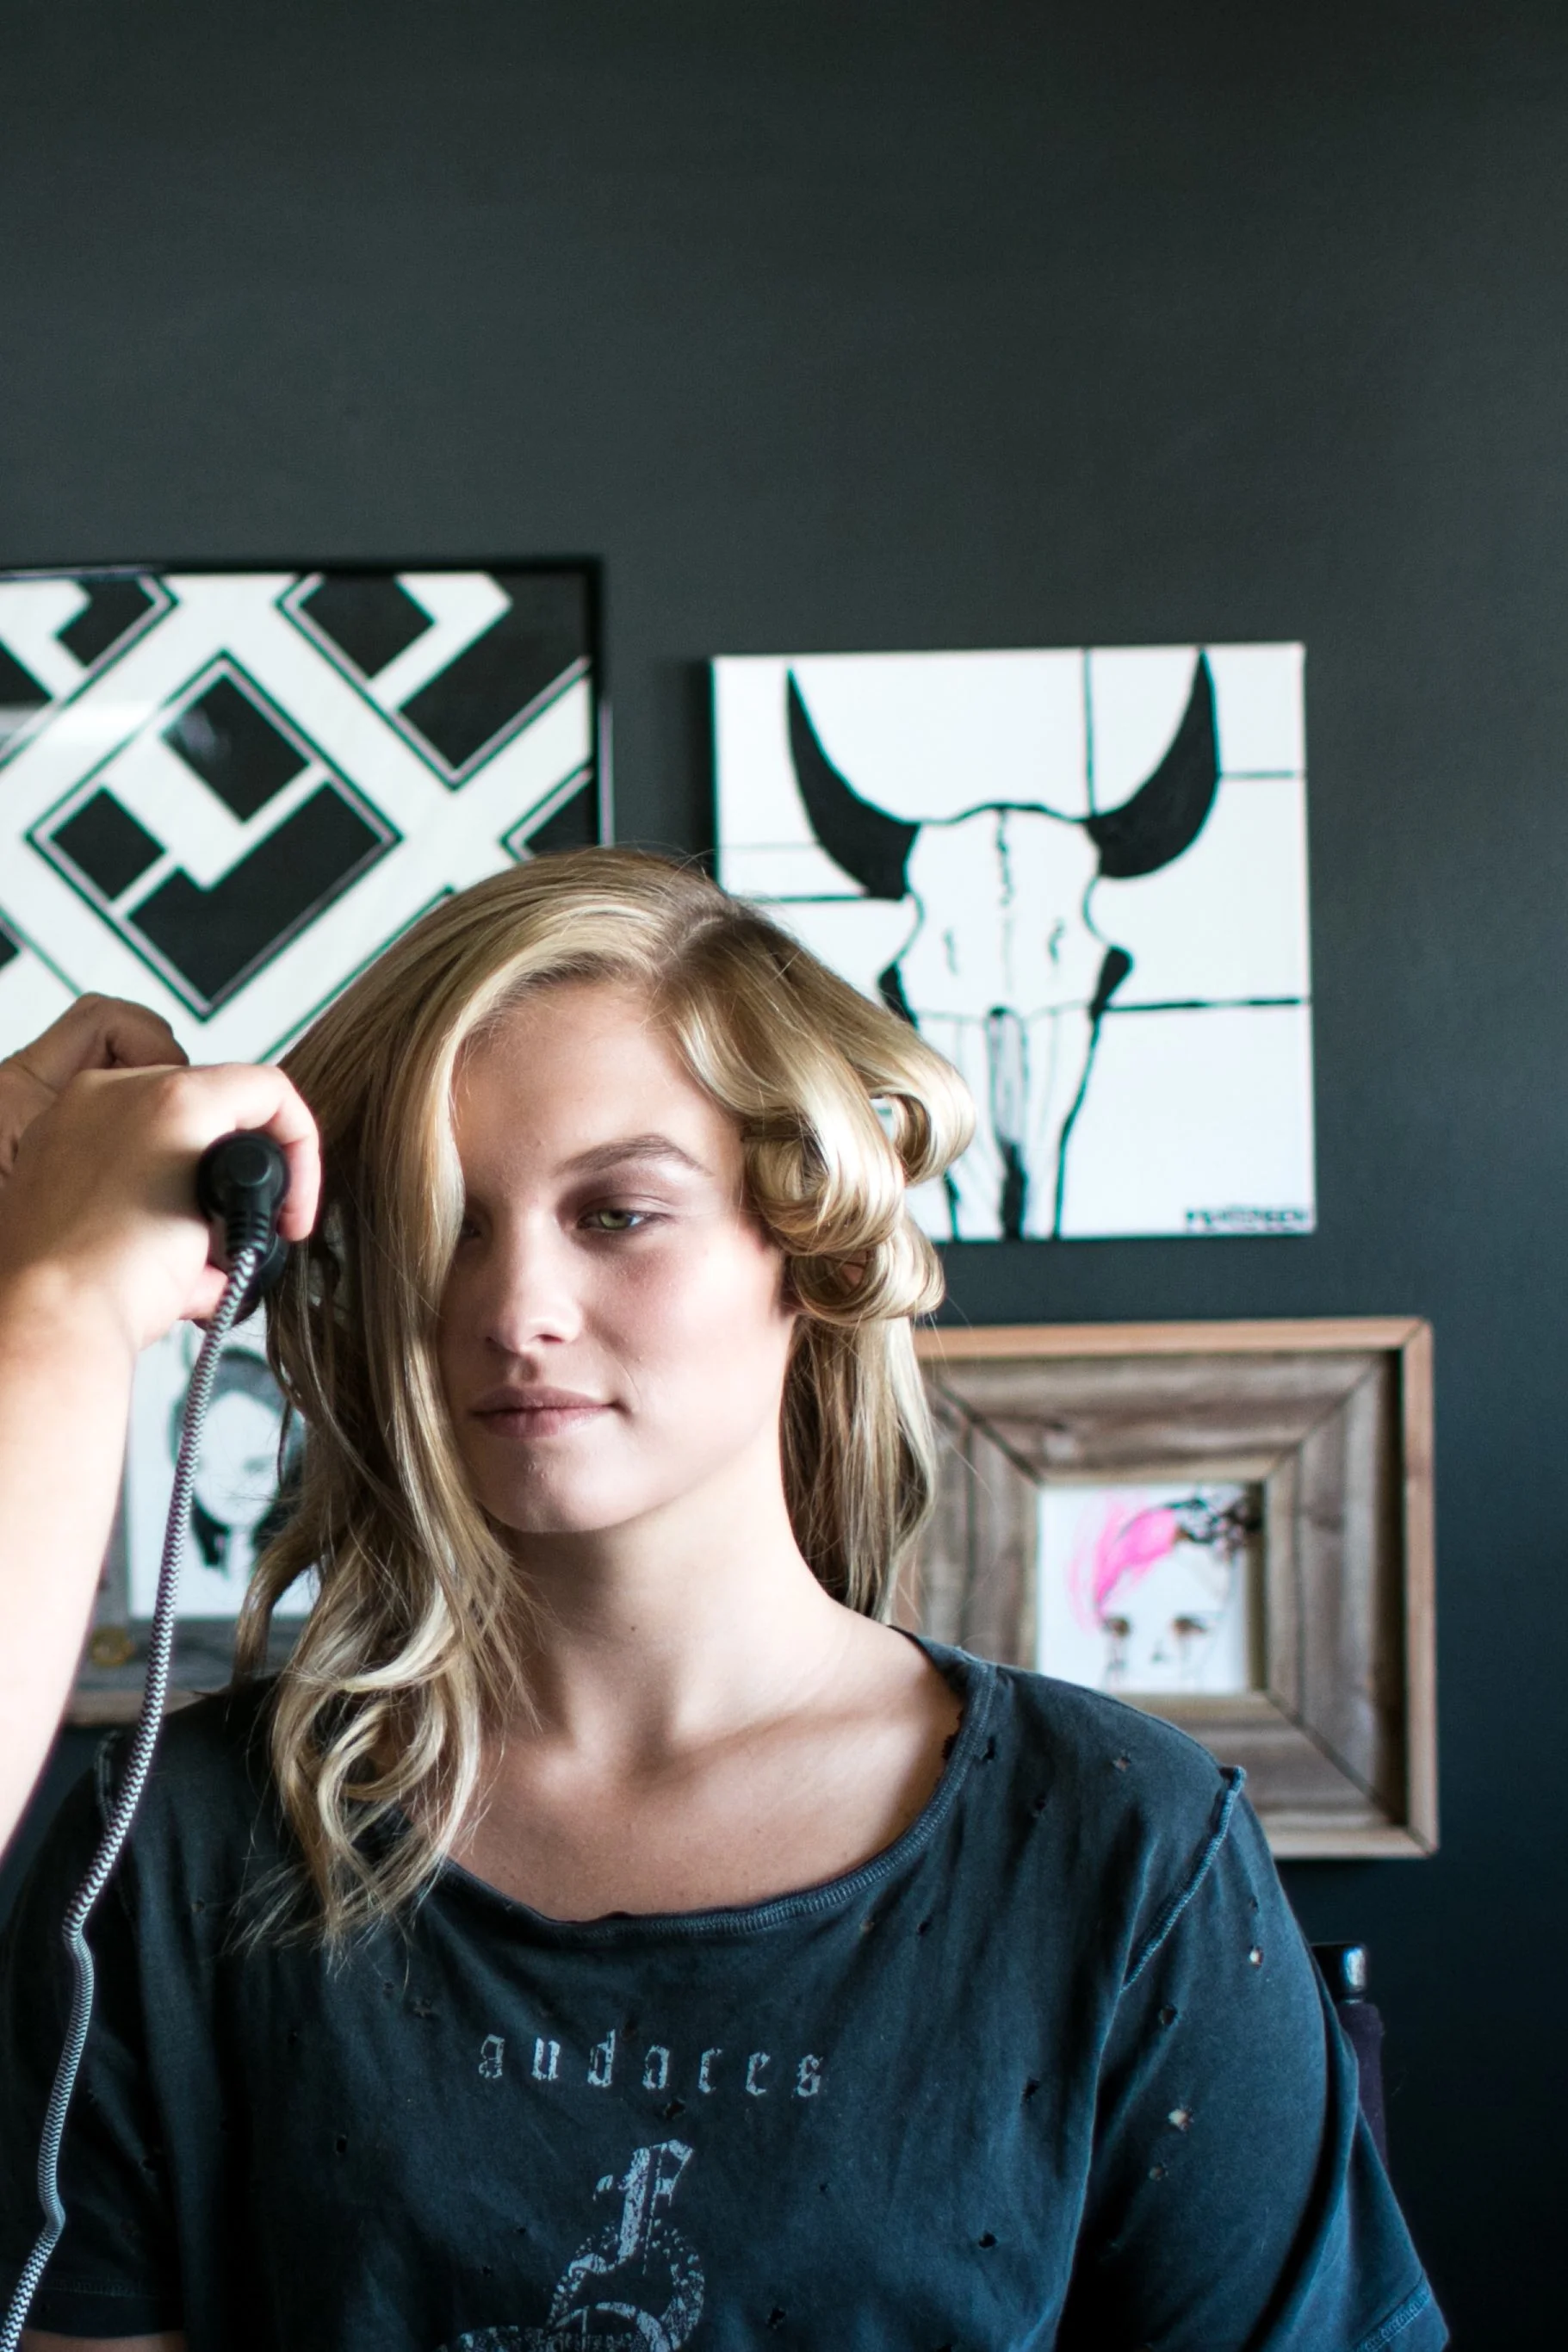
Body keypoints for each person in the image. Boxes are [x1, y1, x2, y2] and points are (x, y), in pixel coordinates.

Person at [0, 850, 1444, 2350]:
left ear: (807, 1244)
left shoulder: (1122, 1846)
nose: (514, 1309)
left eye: (618, 1212)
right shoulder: (171, 1846)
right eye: (448, 1223)